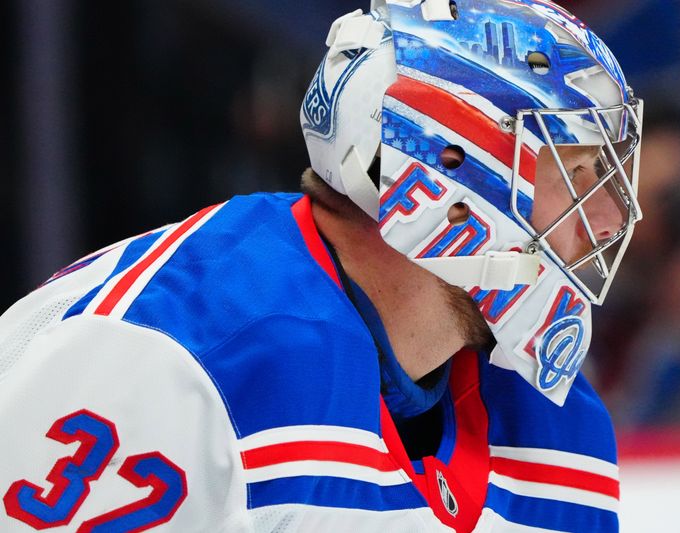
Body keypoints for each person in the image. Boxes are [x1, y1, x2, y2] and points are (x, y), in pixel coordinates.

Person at [0, 0, 643, 531]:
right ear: (451, 175)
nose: (612, 218)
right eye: (576, 172)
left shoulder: (558, 425)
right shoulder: (171, 354)